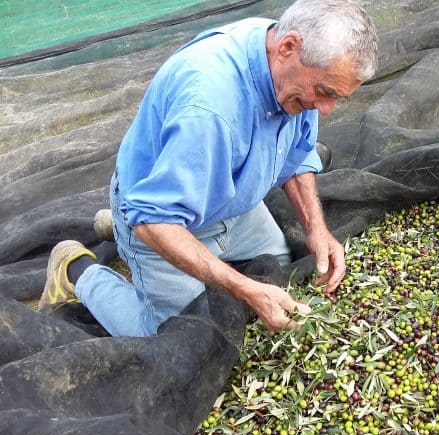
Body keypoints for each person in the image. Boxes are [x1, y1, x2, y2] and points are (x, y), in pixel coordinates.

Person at [37, 0, 378, 337]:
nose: (326, 109)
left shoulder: (278, 53)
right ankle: (78, 269)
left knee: (279, 264)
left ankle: (137, 226)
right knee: (175, 336)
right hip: (161, 218)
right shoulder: (209, 108)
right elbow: (155, 218)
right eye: (324, 92)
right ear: (289, 46)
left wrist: (315, 227)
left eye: (337, 98)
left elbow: (298, 152)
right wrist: (244, 289)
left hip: (229, 206)